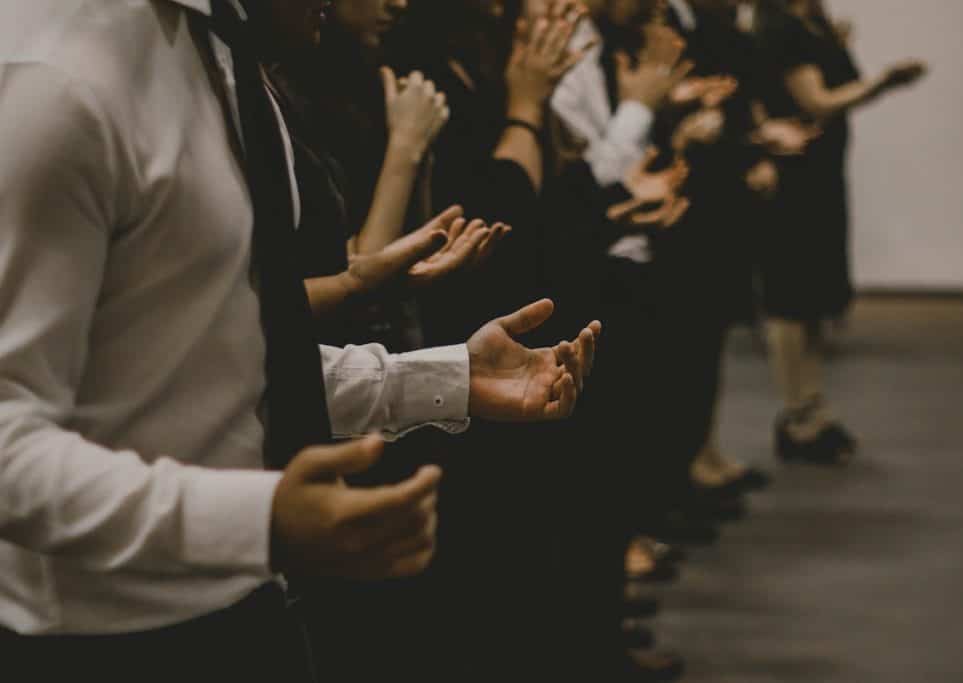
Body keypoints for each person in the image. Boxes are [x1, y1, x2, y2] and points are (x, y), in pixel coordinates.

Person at [0, 2, 599, 680]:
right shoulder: (59, 79)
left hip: (247, 608)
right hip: (105, 644)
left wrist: (441, 378)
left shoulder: (215, 56)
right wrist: (256, 516)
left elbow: (211, 367)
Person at [753, 0, 926, 463]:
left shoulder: (812, 23)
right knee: (790, 301)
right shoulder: (782, 26)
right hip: (793, 177)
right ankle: (798, 412)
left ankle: (814, 408)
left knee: (811, 301)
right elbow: (817, 101)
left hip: (820, 173)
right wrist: (885, 82)